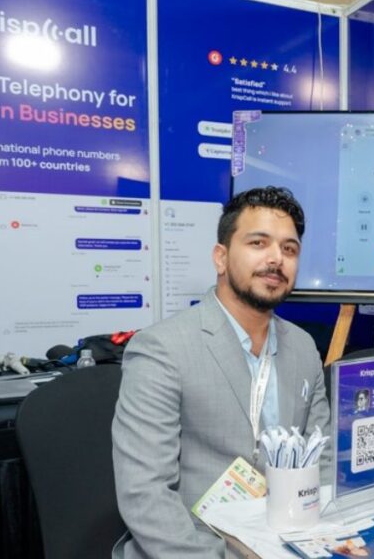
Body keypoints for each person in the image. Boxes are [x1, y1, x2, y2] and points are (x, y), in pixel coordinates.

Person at [112, 186, 330, 558]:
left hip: (289, 539)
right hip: (197, 544)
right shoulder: (162, 349)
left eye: (289, 249)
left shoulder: (303, 347)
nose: (276, 258)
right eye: (258, 243)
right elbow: (145, 494)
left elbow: (321, 459)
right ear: (221, 258)